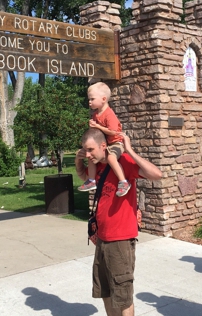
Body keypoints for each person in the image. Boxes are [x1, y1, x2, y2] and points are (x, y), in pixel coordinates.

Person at [75, 128, 162, 316]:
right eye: (85, 151)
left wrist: (129, 151)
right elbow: (83, 177)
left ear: (103, 146)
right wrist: (78, 159)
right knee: (105, 291)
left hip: (120, 239)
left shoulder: (122, 163)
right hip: (102, 239)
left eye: (91, 150)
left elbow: (156, 174)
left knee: (122, 295)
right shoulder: (96, 166)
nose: (88, 155)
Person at [78, 82, 130, 197]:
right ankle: (91, 181)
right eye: (89, 99)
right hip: (105, 143)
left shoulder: (109, 114)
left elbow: (113, 132)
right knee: (91, 156)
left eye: (92, 99)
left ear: (103, 99)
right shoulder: (96, 115)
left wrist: (97, 126)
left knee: (111, 158)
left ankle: (123, 182)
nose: (89, 102)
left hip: (116, 142)